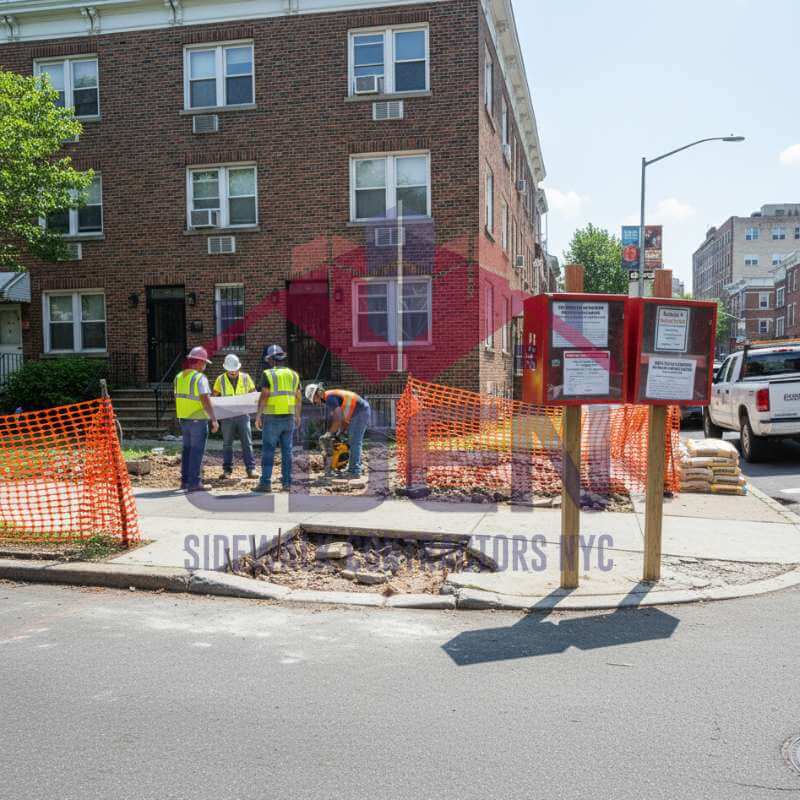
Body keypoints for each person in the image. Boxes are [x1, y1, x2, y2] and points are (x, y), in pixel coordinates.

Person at [252, 344, 301, 493]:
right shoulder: (294, 374)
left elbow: (265, 395)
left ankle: (265, 483)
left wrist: (258, 415)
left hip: (272, 418)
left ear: (271, 360)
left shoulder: (268, 374)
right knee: (287, 451)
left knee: (268, 451)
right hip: (289, 417)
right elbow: (298, 397)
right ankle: (287, 483)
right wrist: (298, 415)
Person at [173, 346, 219, 492]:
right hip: (198, 419)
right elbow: (205, 399)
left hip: (184, 419)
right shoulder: (200, 378)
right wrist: (214, 419)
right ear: (199, 362)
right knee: (196, 451)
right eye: (204, 362)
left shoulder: (179, 377)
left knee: (187, 450)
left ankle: (185, 481)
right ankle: (195, 483)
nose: (205, 365)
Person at [305, 383, 371, 479]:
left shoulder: (329, 398)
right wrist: (340, 432)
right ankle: (356, 466)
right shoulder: (330, 397)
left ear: (317, 393)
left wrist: (329, 434)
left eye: (314, 400)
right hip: (358, 412)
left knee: (354, 441)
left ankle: (354, 471)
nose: (316, 403)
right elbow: (343, 418)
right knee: (352, 441)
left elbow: (338, 419)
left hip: (360, 411)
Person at [212, 353, 257, 479]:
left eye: (235, 370)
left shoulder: (246, 378)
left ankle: (251, 469)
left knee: (247, 443)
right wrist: (215, 415)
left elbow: (254, 394)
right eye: (230, 370)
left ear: (238, 367)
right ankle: (227, 470)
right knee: (227, 444)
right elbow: (214, 397)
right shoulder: (220, 379)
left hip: (243, 415)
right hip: (227, 417)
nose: (232, 372)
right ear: (226, 368)